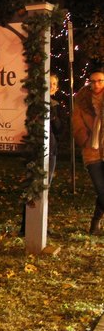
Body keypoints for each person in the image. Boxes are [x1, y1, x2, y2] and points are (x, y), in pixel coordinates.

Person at [20, 74, 63, 235]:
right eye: (48, 83)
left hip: (50, 151)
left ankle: (41, 223)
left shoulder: (56, 105)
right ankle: (26, 225)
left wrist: (54, 118)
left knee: (45, 186)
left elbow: (60, 131)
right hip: (35, 150)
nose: (51, 86)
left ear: (56, 88)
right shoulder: (34, 103)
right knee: (31, 185)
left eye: (54, 84)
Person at [73, 68, 104, 234]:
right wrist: (84, 139)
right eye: (93, 81)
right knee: (100, 188)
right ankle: (95, 223)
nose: (96, 84)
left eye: (100, 81)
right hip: (91, 150)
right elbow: (76, 122)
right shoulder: (82, 99)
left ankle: (95, 223)